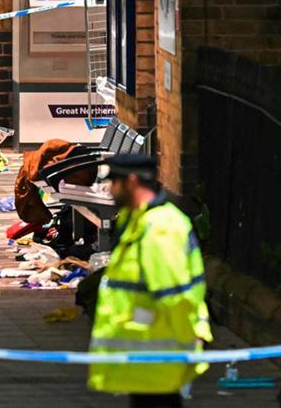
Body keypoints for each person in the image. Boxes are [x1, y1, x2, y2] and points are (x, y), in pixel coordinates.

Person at [88, 154, 213, 408]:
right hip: (145, 352)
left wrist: (188, 345)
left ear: (131, 182)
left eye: (114, 182)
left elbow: (174, 295)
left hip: (158, 351)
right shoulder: (137, 218)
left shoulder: (159, 229)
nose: (109, 189)